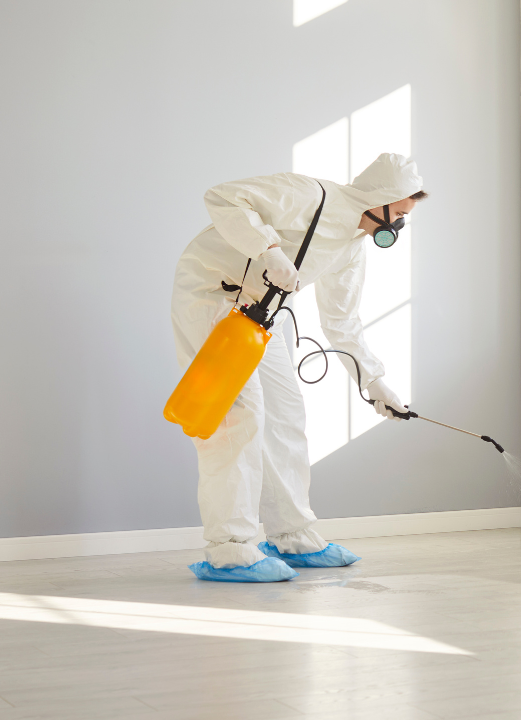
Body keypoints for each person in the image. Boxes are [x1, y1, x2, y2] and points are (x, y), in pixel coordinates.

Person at [170, 153, 425, 582]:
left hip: (256, 316)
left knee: (285, 415)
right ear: (380, 199)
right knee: (239, 415)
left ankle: (293, 536)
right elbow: (223, 197)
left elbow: (342, 322)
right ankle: (229, 550)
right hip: (210, 295)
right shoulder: (309, 194)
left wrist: (376, 383)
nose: (398, 225)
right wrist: (268, 250)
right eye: (398, 214)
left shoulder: (351, 248)